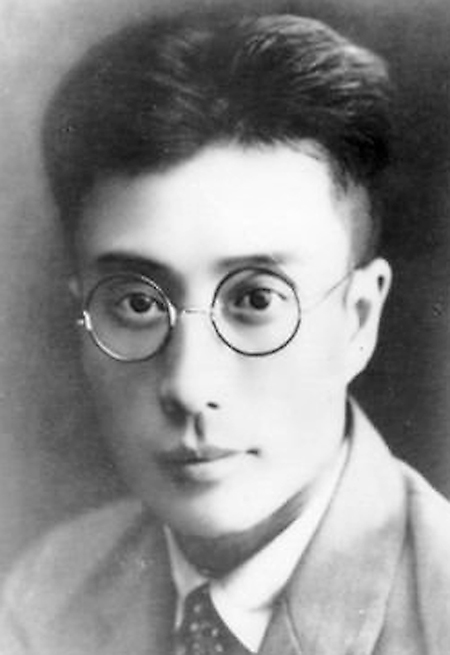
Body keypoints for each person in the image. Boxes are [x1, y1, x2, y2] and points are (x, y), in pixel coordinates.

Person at [1, 7, 450, 654]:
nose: (189, 386)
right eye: (136, 302)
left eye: (256, 299)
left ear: (358, 320)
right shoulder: (42, 596)